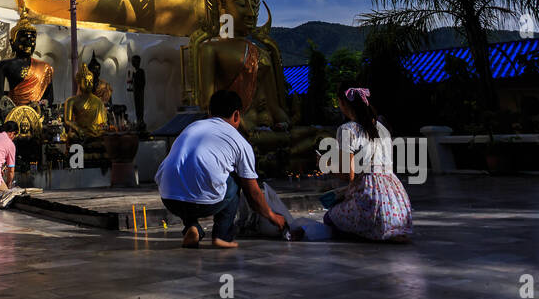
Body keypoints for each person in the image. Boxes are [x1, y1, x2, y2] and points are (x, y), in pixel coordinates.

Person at [155, 90, 290, 248]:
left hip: (169, 197)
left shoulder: (192, 127)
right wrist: (274, 217)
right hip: (202, 202)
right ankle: (222, 235)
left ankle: (192, 227)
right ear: (236, 115)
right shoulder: (239, 141)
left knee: (187, 177)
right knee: (237, 178)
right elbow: (253, 194)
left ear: (209, 113)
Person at [323, 86, 412, 242]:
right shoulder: (383, 128)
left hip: (371, 198)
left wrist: (326, 165)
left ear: (343, 104)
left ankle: (372, 230)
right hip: (398, 203)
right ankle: (387, 229)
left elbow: (348, 175)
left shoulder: (347, 129)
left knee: (328, 218)